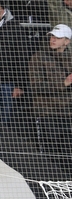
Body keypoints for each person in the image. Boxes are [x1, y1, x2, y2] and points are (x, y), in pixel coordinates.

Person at [29, 24, 72, 152]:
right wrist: (63, 83)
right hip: (46, 113)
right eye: (52, 36)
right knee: (49, 154)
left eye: (57, 37)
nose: (53, 39)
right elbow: (36, 86)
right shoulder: (38, 58)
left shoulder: (70, 59)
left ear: (66, 41)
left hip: (67, 114)